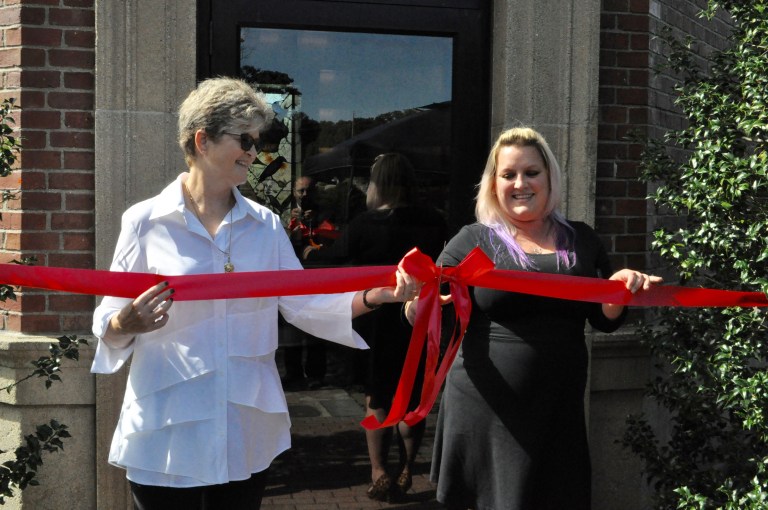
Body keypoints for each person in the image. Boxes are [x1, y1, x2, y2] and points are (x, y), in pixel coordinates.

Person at [90, 77, 424, 510]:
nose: (253, 152)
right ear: (202, 139)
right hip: (169, 425)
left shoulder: (264, 225)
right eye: (244, 140)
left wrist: (376, 297)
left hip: (242, 424)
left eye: (256, 141)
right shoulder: (145, 222)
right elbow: (108, 320)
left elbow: (302, 303)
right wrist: (124, 323)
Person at [404, 127, 662, 510]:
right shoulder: (471, 240)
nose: (520, 183)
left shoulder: (582, 240)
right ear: (494, 184)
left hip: (558, 409)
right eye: (508, 175)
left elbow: (604, 320)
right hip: (485, 409)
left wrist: (619, 290)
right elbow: (422, 314)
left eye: (531, 172)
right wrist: (417, 297)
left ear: (549, 177)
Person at [304, 153, 448, 502]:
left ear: (378, 184)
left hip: (378, 320)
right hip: (419, 319)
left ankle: (378, 470)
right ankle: (407, 468)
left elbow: (334, 258)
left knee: (378, 395)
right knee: (414, 397)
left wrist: (309, 253)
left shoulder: (366, 224)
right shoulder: (437, 222)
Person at [280, 175, 330, 390]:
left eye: (308, 191)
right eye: (300, 191)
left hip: (316, 277)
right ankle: (294, 374)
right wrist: (293, 227)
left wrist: (317, 224)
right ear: (294, 193)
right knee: (291, 329)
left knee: (316, 329)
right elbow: (279, 245)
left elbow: (332, 239)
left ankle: (316, 374)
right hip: (292, 280)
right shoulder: (285, 216)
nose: (305, 195)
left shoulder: (326, 215)